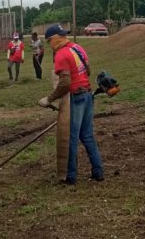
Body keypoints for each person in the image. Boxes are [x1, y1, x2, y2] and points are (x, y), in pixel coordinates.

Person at [38, 25, 104, 185]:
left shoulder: (61, 54)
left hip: (76, 98)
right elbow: (87, 71)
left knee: (70, 137)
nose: (49, 45)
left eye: (49, 41)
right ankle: (98, 172)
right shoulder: (78, 48)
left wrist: (49, 99)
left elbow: (65, 83)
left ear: (54, 38)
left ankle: (70, 176)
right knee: (87, 135)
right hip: (88, 94)